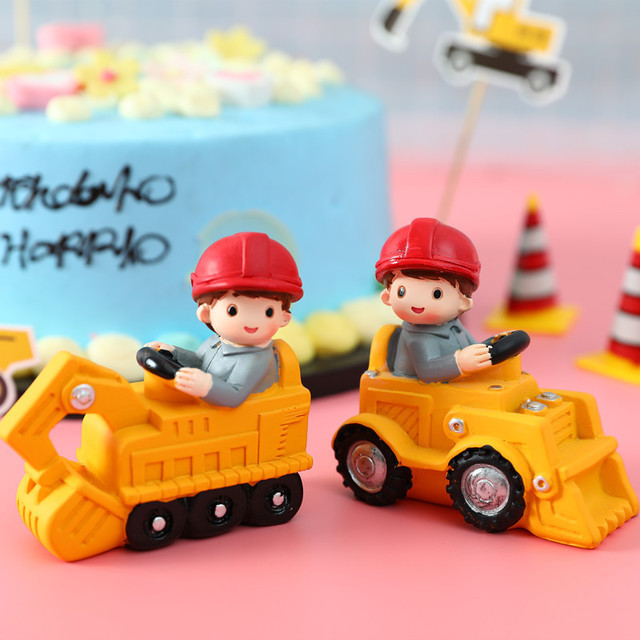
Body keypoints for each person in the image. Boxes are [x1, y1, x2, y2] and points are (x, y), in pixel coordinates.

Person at [146, 231, 303, 407]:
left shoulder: (256, 358)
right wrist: (173, 353)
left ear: (284, 318)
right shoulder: (216, 342)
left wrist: (206, 386)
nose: (251, 321)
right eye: (233, 310)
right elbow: (199, 360)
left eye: (268, 312)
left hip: (245, 416)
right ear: (206, 313)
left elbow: (235, 395)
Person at [376, 217, 492, 382]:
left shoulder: (454, 327)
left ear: (463, 302)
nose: (418, 303)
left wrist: (491, 347)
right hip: (413, 391)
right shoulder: (416, 338)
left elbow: (475, 347)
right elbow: (427, 371)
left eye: (437, 294)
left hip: (449, 386)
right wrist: (460, 362)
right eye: (402, 292)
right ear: (387, 297)